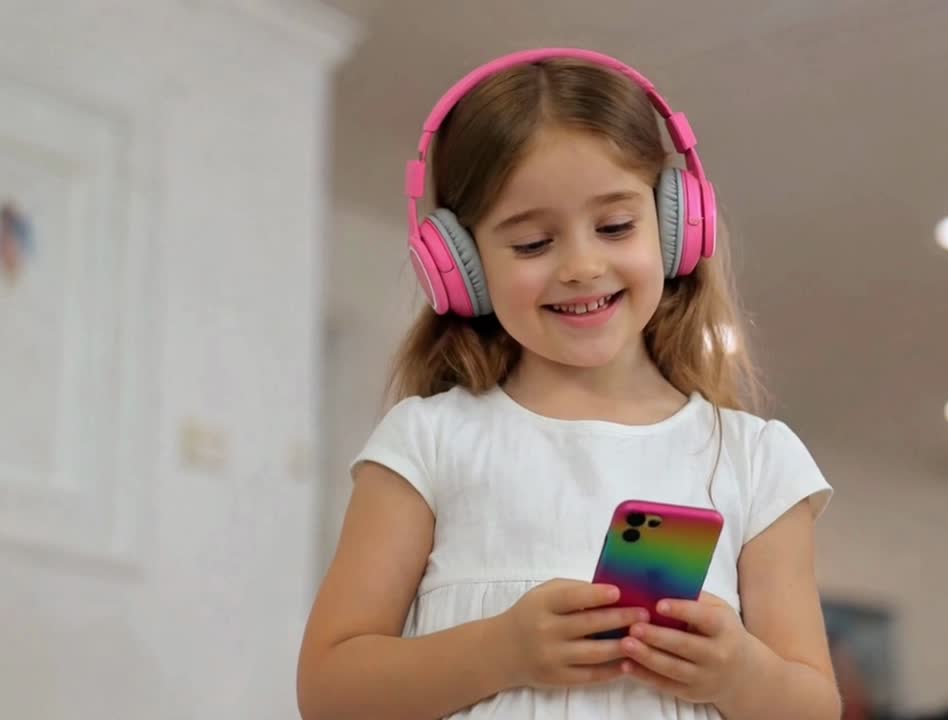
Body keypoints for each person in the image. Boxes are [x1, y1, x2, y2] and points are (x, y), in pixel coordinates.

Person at [296, 48, 840, 720]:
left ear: (676, 227)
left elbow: (814, 707)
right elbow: (328, 692)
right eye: (531, 244)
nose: (582, 266)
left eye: (615, 226)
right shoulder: (428, 441)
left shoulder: (755, 459)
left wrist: (738, 673)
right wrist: (501, 650)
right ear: (462, 265)